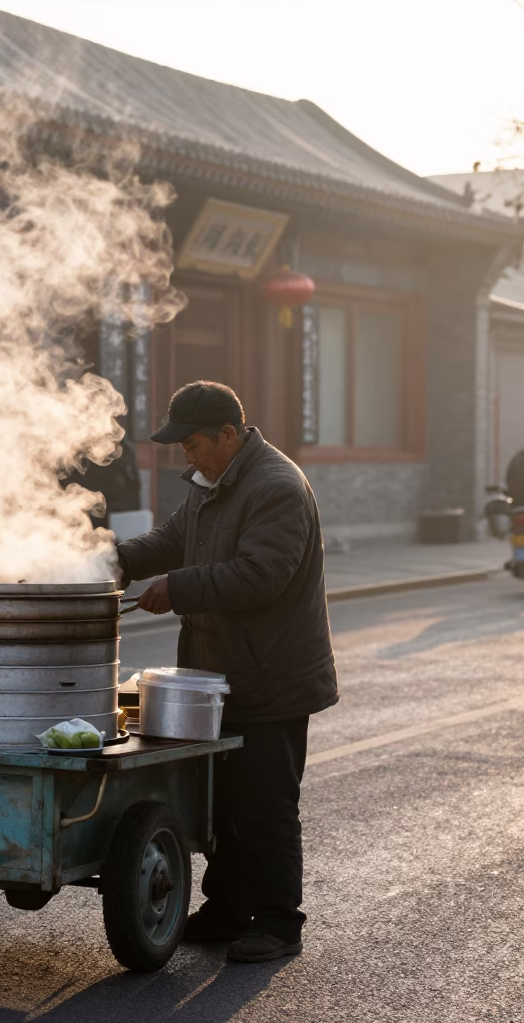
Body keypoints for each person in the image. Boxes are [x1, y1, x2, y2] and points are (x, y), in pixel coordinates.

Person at [116, 381, 338, 965]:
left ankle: (278, 921)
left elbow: (261, 574)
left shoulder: (276, 486)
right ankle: (228, 908)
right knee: (221, 803)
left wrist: (178, 588)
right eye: (180, 448)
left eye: (192, 445)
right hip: (220, 673)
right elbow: (175, 539)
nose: (186, 457)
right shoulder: (214, 482)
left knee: (264, 805)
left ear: (228, 434)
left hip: (272, 676)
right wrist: (120, 559)